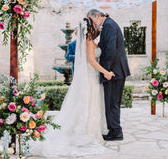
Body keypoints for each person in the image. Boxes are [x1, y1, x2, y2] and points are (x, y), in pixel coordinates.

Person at [30, 18, 115, 157]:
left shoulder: (88, 42)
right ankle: (86, 131)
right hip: (90, 76)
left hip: (90, 76)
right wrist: (106, 72)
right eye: (95, 25)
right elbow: (92, 61)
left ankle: (89, 129)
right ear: (90, 29)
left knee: (88, 102)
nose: (97, 26)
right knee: (88, 102)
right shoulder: (88, 42)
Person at [87, 9, 131, 141]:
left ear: (98, 16)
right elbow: (104, 47)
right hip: (115, 70)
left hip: (114, 71)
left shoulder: (109, 25)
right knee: (112, 102)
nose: (93, 24)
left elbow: (111, 50)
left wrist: (106, 71)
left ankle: (116, 131)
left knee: (112, 102)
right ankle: (114, 130)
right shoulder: (108, 25)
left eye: (93, 20)